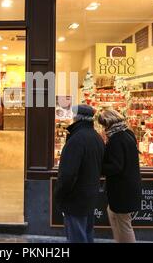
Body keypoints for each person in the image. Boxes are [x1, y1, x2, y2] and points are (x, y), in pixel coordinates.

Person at [54, 104, 105, 243]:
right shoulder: (97, 138)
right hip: (90, 195)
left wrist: (59, 195)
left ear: (77, 118)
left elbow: (68, 174)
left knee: (77, 237)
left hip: (76, 198)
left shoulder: (76, 139)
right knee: (87, 234)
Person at [97, 109, 142, 243]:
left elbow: (116, 166)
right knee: (115, 216)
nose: (103, 128)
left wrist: (99, 168)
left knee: (124, 224)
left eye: (104, 124)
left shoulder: (117, 139)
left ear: (109, 123)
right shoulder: (127, 134)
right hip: (126, 188)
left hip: (122, 190)